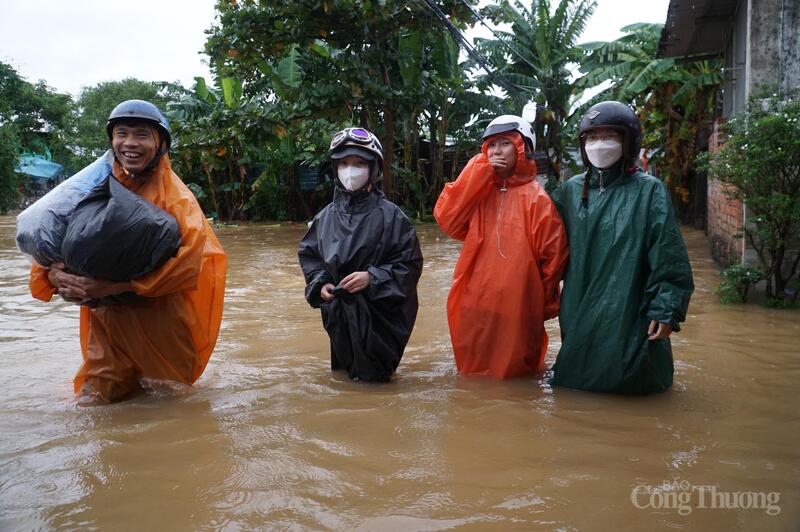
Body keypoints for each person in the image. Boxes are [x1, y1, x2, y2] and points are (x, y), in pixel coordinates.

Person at [28, 99, 228, 403]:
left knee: (171, 409)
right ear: (111, 140)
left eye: (142, 135)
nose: (130, 143)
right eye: (121, 133)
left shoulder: (178, 200)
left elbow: (189, 266)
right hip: (106, 325)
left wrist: (113, 286)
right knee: (92, 402)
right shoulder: (91, 187)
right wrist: (54, 273)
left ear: (160, 143)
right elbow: (50, 238)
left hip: (162, 328)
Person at [549, 101, 694, 394]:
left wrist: (667, 310)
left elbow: (669, 257)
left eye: (610, 136)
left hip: (630, 309)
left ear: (627, 141)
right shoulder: (568, 192)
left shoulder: (649, 191)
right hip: (578, 305)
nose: (599, 144)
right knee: (576, 384)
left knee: (632, 381)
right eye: (591, 137)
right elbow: (543, 249)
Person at [434, 115, 569, 379]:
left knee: (517, 375)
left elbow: (553, 258)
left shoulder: (536, 199)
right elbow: (447, 220)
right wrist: (479, 170)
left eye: (505, 143)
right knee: (472, 375)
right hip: (473, 301)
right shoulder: (477, 191)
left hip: (519, 305)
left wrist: (542, 304)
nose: (496, 151)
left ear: (522, 148)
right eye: (491, 145)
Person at [298, 127, 423, 382]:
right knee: (342, 380)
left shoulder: (393, 217)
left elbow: (410, 266)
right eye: (343, 163)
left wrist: (372, 278)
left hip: (380, 318)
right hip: (338, 316)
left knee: (374, 384)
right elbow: (311, 257)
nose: (350, 171)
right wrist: (320, 283)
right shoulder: (325, 217)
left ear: (373, 169)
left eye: (358, 163)